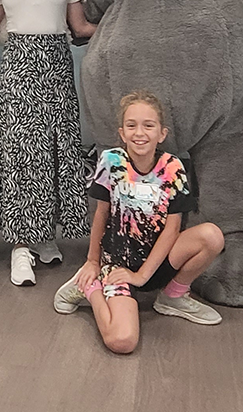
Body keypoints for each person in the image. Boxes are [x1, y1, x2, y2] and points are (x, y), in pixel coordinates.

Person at [52, 91, 224, 354]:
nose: (139, 133)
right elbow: (100, 214)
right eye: (131, 125)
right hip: (117, 264)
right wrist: (92, 262)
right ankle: (90, 288)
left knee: (212, 235)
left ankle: (172, 296)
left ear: (161, 134)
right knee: (122, 341)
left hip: (158, 261)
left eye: (148, 125)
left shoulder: (173, 167)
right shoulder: (111, 161)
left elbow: (172, 228)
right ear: (122, 133)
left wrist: (143, 275)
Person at [0, 0, 95, 286]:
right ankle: (20, 245)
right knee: (21, 151)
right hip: (18, 64)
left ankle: (43, 234)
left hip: (57, 64)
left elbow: (80, 27)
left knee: (54, 149)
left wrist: (126, 26)